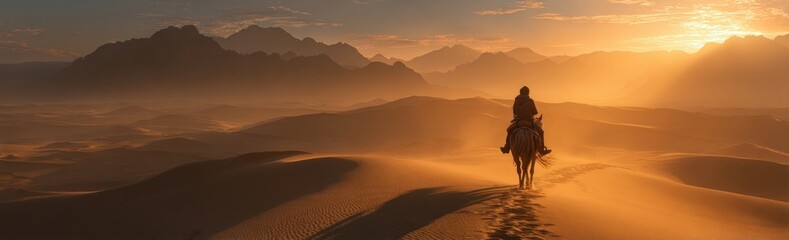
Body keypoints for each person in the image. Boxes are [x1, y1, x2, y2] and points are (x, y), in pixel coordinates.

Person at [500, 86, 551, 155]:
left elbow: (514, 111)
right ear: (528, 93)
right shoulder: (530, 101)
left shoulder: (516, 101)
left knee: (509, 130)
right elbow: (535, 112)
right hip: (529, 122)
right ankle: (542, 150)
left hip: (519, 122)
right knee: (541, 132)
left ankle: (506, 147)